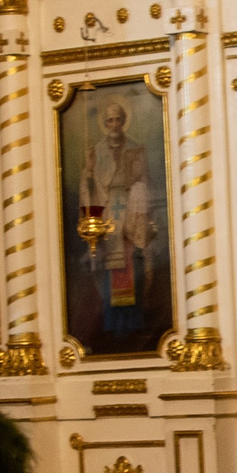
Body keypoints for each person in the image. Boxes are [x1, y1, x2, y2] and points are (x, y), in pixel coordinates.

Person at [80, 99, 154, 344]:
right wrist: (88, 175)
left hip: (131, 213)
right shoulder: (95, 151)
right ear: (105, 123)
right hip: (107, 212)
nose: (114, 124)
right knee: (110, 270)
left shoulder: (135, 148)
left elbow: (145, 180)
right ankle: (113, 324)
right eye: (109, 120)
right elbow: (88, 186)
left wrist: (139, 193)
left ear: (123, 121)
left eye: (117, 119)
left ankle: (132, 324)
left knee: (132, 266)